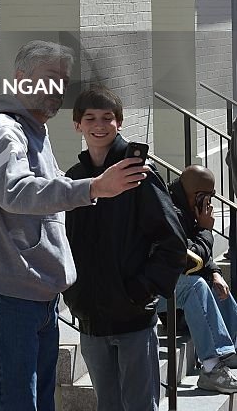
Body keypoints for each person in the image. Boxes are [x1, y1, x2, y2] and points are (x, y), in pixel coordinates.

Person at [0, 42, 149, 411]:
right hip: (7, 293)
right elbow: (13, 190)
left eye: (63, 82)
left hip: (38, 295)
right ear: (20, 80)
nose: (57, 90)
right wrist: (93, 187)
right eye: (49, 79)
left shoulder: (35, 131)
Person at [64, 86, 187, 411]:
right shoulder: (75, 180)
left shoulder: (139, 175)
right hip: (91, 322)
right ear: (77, 125)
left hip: (133, 320)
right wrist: (73, 295)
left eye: (107, 117)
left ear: (119, 122)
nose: (99, 125)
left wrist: (141, 290)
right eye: (90, 118)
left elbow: (173, 242)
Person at [167, 165, 237, 393]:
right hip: (153, 294)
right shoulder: (171, 212)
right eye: (208, 196)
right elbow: (189, 258)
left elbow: (200, 256)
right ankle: (212, 368)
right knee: (196, 286)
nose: (210, 202)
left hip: (170, 287)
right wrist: (206, 229)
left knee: (216, 285)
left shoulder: (185, 206)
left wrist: (215, 272)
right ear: (197, 195)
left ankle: (232, 349)